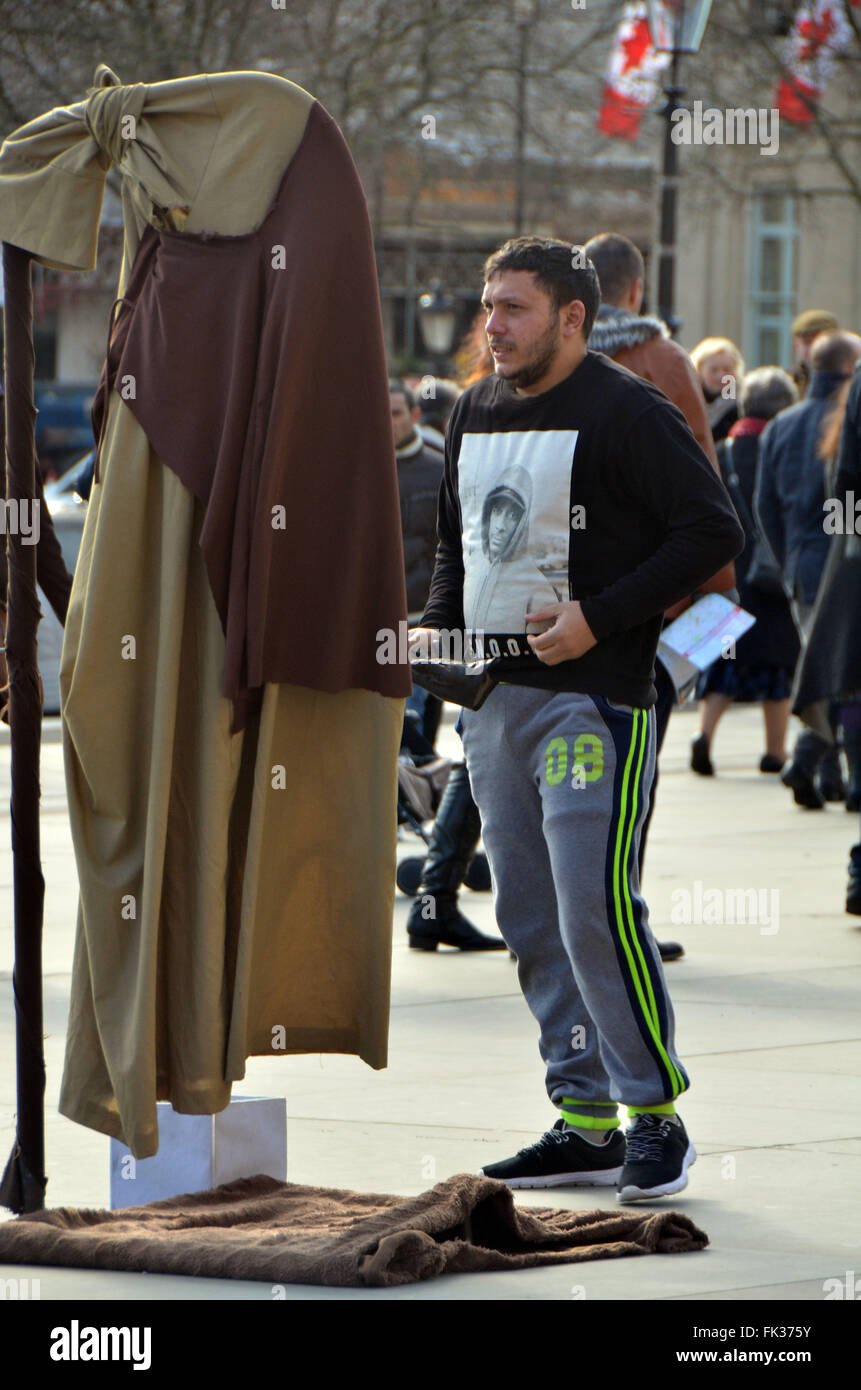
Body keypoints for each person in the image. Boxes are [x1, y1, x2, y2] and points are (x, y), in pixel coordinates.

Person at [412, 236, 743, 1200]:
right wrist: (438, 631)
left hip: (593, 703)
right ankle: (585, 1117)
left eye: (512, 308)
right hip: (496, 703)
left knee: (592, 909)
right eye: (487, 306)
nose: (491, 326)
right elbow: (454, 544)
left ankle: (653, 1117)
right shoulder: (473, 405)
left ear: (572, 317)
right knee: (525, 913)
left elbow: (712, 532)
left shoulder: (627, 410)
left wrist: (598, 615)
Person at [585, 231, 736, 964]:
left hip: (558, 595)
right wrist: (715, 594)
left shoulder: (546, 356)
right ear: (636, 291)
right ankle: (619, 921)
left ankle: (566, 917)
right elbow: (700, 481)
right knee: (633, 770)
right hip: (653, 598)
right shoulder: (661, 360)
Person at [392, 378, 503, 952]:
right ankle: (444, 893)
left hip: (444, 622)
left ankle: (440, 894)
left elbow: (448, 540)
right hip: (428, 626)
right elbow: (454, 541)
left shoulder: (442, 453)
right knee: (474, 749)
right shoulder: (481, 412)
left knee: (468, 749)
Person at [756, 331, 861, 807]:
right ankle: (817, 763)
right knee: (845, 671)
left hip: (802, 564)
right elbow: (846, 496)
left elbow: (765, 507)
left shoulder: (781, 424)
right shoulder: (845, 417)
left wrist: (788, 560)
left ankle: (823, 770)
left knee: (825, 666)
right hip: (845, 563)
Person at [690, 368, 800, 775]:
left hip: (729, 574)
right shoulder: (786, 449)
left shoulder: (722, 449)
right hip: (772, 578)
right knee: (776, 668)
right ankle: (775, 752)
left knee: (725, 663)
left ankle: (704, 734)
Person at [690, 337, 745, 445]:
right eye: (713, 370)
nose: (721, 376)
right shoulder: (689, 401)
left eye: (727, 369)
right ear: (700, 369)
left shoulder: (742, 404)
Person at [791, 309, 839, 400]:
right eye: (808, 343)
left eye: (821, 342)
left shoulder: (851, 381)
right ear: (796, 345)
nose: (815, 349)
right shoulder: (791, 384)